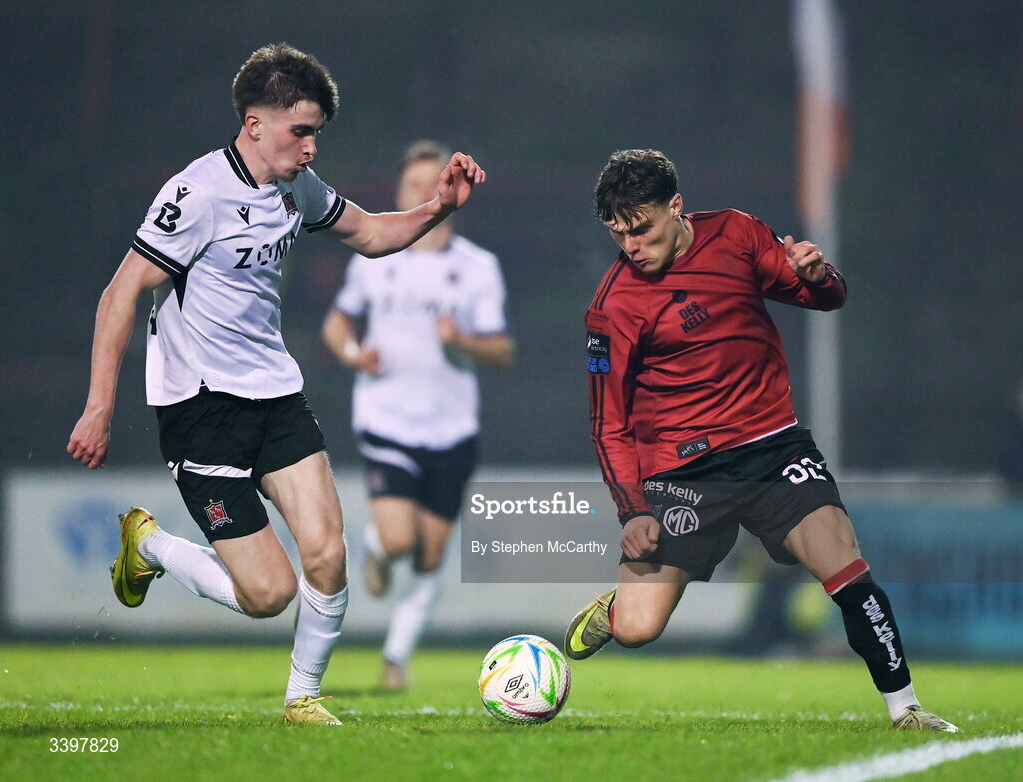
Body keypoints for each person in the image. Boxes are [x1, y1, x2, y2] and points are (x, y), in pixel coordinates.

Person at [65, 43, 486, 726]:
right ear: (254, 123)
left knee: (328, 551)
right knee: (268, 595)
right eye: (301, 130)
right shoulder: (196, 194)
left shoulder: (295, 185)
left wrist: (438, 207)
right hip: (201, 410)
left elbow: (372, 233)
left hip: (276, 396)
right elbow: (120, 294)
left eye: (317, 131)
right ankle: (149, 545)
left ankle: (302, 699)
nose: (312, 146)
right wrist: (99, 406)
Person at [565, 149, 959, 732]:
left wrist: (818, 275)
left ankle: (906, 709)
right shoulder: (614, 306)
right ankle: (614, 613)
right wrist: (633, 508)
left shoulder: (738, 233)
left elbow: (825, 298)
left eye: (642, 229)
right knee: (638, 631)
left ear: (675, 207)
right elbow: (608, 423)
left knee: (846, 568)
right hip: (683, 474)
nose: (632, 247)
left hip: (774, 448)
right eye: (619, 235)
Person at [322, 140, 514, 690]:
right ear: (400, 192)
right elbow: (337, 327)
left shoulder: (477, 268)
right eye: (412, 185)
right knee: (402, 540)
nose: (424, 193)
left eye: (433, 183)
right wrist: (355, 355)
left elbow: (502, 350)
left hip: (452, 427)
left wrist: (465, 343)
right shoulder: (377, 260)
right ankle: (381, 549)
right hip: (387, 419)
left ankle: (395, 659)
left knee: (430, 556)